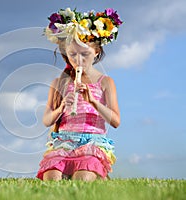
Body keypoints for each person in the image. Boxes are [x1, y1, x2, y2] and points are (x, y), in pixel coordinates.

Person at [36, 7, 123, 181]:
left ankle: (97, 174)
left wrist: (93, 102)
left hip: (92, 143)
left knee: (81, 179)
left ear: (96, 52)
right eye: (72, 55)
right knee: (52, 178)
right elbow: (46, 120)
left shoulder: (105, 82)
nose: (78, 60)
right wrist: (61, 108)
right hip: (64, 142)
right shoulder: (59, 83)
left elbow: (115, 121)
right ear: (66, 55)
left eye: (85, 54)